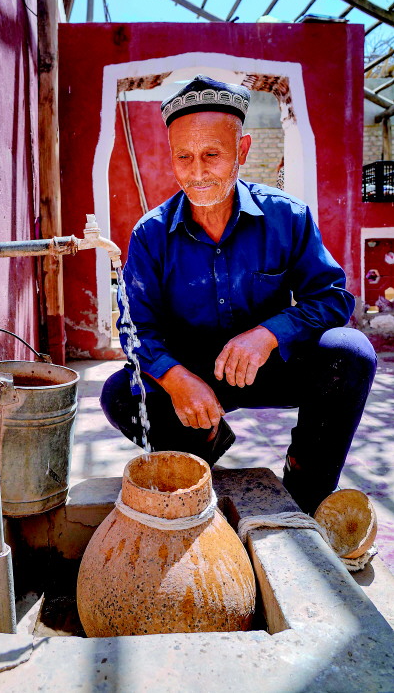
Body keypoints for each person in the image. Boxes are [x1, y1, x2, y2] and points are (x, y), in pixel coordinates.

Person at [101, 75, 376, 515]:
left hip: (272, 364)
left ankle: (307, 486)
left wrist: (269, 333)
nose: (197, 172)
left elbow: (332, 298)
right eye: (183, 156)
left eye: (212, 155)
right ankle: (203, 444)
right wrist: (176, 379)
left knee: (351, 352)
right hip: (196, 377)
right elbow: (136, 330)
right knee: (121, 393)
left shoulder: (287, 217)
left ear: (242, 150)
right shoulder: (151, 235)